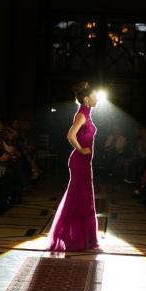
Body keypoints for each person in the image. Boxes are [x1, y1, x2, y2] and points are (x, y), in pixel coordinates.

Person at [48, 81, 99, 251]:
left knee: (83, 200)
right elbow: (70, 135)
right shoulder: (82, 115)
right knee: (78, 199)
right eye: (94, 95)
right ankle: (72, 237)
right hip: (79, 162)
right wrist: (81, 149)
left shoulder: (87, 114)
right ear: (86, 99)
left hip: (84, 163)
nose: (97, 97)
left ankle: (82, 238)